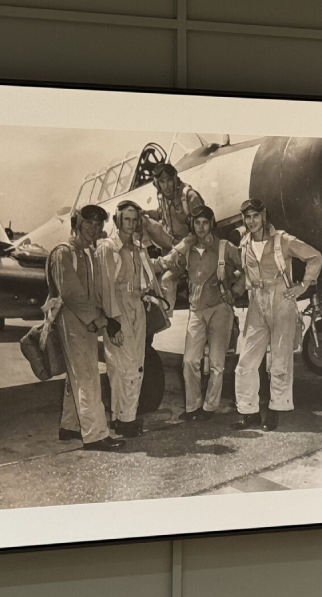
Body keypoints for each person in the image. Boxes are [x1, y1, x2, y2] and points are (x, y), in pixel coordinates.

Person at [233, 197, 322, 431]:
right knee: (246, 361)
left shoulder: (282, 240)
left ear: (263, 217)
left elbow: (314, 256)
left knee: (280, 361)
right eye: (247, 217)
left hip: (281, 299)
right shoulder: (244, 244)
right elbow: (246, 276)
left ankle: (275, 409)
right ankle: (248, 411)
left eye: (255, 216)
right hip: (257, 303)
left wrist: (303, 286)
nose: (251, 221)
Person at [48, 204, 125, 451]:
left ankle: (70, 426)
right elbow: (72, 294)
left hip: (85, 323)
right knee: (88, 376)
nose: (95, 228)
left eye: (98, 224)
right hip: (72, 323)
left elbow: (92, 293)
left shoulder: (86, 253)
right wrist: (100, 319)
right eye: (89, 223)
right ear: (77, 224)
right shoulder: (64, 253)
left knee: (76, 376)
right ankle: (95, 435)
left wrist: (103, 316)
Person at [159, 206, 243, 421]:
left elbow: (248, 268)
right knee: (189, 361)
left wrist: (235, 291)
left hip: (220, 310)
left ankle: (210, 407)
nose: (201, 227)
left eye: (205, 223)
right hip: (196, 311)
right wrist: (183, 245)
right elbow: (169, 264)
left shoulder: (224, 247)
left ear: (212, 223)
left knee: (217, 362)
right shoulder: (187, 250)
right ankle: (193, 407)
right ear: (192, 226)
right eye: (197, 223)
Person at [98, 198, 160, 437]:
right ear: (117, 220)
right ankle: (125, 419)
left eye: (135, 220)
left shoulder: (137, 248)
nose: (131, 224)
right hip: (117, 308)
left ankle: (122, 418)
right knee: (124, 367)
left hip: (137, 306)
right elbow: (105, 285)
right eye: (127, 219)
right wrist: (112, 320)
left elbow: (149, 274)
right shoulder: (107, 248)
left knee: (136, 364)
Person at [142, 161, 206, 252]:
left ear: (175, 180)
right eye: (162, 182)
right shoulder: (163, 198)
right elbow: (162, 213)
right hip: (172, 246)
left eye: (169, 180)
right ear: (157, 184)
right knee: (142, 219)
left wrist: (185, 246)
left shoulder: (189, 196)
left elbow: (203, 228)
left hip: (191, 246)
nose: (166, 186)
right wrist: (147, 212)